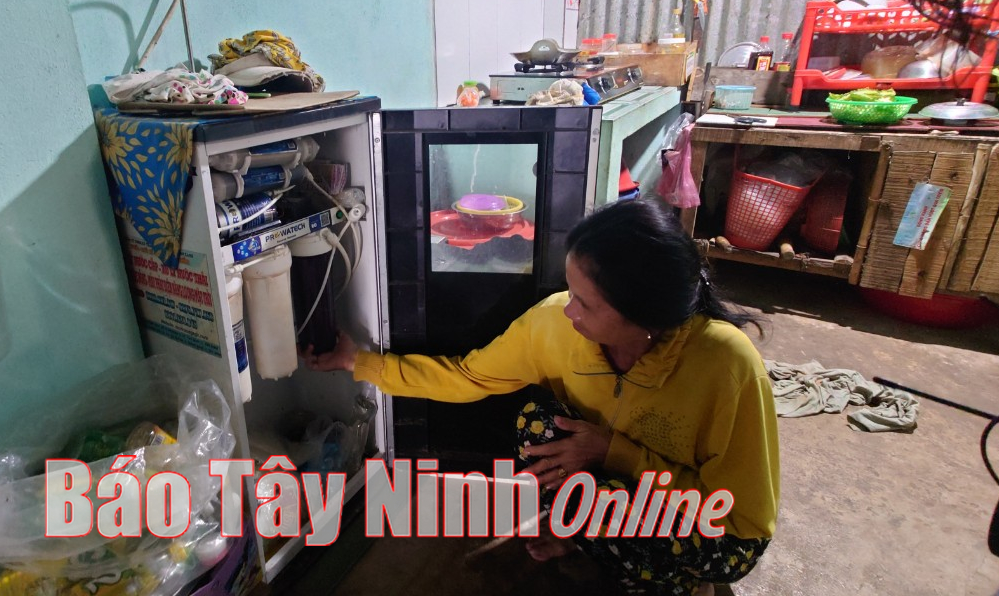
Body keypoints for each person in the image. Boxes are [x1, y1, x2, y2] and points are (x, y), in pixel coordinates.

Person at [307, 198, 780, 596]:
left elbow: (741, 518)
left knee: (617, 516)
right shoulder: (554, 324)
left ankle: (657, 574)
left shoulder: (725, 364)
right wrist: (358, 363)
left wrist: (616, 452)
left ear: (645, 316)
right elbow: (466, 376)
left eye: (585, 303)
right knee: (538, 424)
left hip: (712, 523)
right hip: (616, 485)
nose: (568, 310)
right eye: (571, 291)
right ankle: (594, 540)